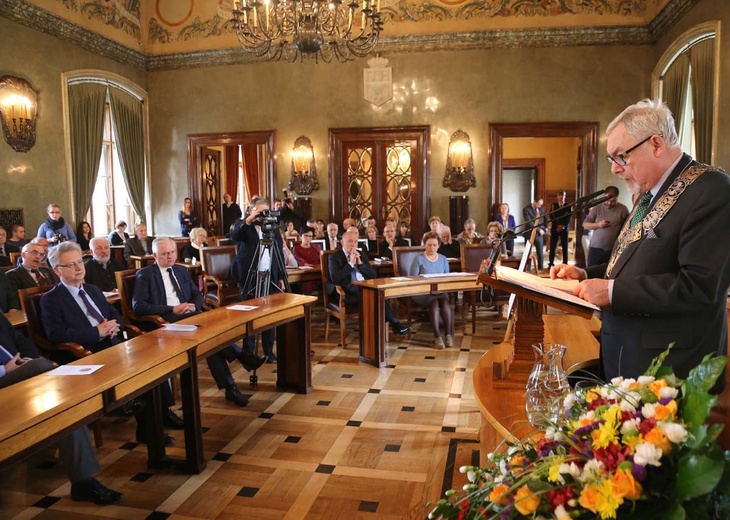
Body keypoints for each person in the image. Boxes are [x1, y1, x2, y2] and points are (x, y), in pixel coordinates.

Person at [551, 99, 730, 386]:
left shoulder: (711, 190)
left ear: (656, 144)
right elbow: (634, 262)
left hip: (670, 370)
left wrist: (611, 291)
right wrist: (587, 274)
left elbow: (700, 286)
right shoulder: (648, 193)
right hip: (626, 354)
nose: (616, 169)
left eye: (621, 156)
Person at [41, 242, 181, 442]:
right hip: (85, 353)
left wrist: (115, 324)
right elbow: (56, 335)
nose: (79, 268)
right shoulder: (51, 299)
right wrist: (95, 332)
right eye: (71, 265)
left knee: (152, 361)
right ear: (57, 270)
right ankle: (148, 429)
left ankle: (161, 414)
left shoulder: (93, 289)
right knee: (138, 368)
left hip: (113, 343)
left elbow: (114, 313)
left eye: (80, 261)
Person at [0, 313, 123, 505]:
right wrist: (4, 369)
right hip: (4, 377)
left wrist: (27, 359)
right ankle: (82, 478)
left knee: (61, 395)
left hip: (19, 371)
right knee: (49, 373)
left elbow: (18, 338)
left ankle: (82, 479)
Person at [132, 237, 265, 406]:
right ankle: (242, 357)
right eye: (165, 254)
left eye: (172, 252)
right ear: (155, 255)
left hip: (189, 316)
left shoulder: (180, 270)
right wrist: (172, 309)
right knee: (209, 331)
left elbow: (197, 295)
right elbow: (139, 307)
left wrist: (193, 306)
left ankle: (231, 387)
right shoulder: (145, 275)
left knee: (210, 342)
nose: (170, 257)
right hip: (164, 321)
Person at [230, 197, 286, 363]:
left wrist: (281, 276)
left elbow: (279, 253)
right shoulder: (242, 224)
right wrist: (250, 219)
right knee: (250, 315)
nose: (262, 215)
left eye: (265, 212)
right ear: (250, 210)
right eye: (259, 212)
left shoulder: (273, 227)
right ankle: (248, 353)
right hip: (248, 275)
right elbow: (235, 236)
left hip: (269, 273)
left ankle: (268, 351)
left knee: (269, 314)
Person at [328, 230, 412, 336]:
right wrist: (350, 264)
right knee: (375, 295)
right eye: (349, 241)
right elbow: (335, 278)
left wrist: (360, 264)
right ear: (342, 242)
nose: (353, 244)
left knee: (375, 295)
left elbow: (373, 275)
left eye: (355, 241)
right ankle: (395, 325)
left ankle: (378, 333)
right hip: (347, 291)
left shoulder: (361, 254)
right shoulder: (334, 257)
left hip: (365, 287)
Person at [409, 231, 453, 349]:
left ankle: (448, 334)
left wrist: (441, 289)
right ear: (424, 245)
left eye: (434, 245)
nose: (432, 247)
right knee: (434, 303)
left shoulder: (443, 259)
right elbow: (413, 279)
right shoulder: (418, 259)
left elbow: (447, 278)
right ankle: (437, 336)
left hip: (440, 291)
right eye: (429, 245)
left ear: (438, 245)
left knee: (444, 302)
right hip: (422, 292)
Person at [582, 186, 629, 267]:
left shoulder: (623, 209)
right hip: (596, 249)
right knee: (591, 274)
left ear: (617, 197)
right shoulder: (597, 208)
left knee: (608, 276)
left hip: (613, 249)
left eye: (613, 201)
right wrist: (598, 225)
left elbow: (627, 228)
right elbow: (585, 225)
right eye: (607, 200)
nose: (609, 203)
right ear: (604, 196)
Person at [293, 227, 321, 293]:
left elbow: (320, 258)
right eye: (305, 236)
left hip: (317, 271)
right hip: (304, 273)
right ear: (300, 236)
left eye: (310, 236)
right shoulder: (296, 248)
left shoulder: (316, 247)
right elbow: (297, 259)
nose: (308, 238)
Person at [548, 190, 571, 269]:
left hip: (564, 228)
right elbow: (551, 215)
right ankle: (551, 263)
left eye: (563, 196)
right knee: (553, 246)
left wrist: (563, 225)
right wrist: (557, 225)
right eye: (559, 196)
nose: (561, 197)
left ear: (565, 197)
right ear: (557, 197)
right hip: (555, 228)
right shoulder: (553, 205)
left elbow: (569, 217)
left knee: (565, 246)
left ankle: (565, 263)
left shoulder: (568, 205)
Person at [522, 197, 547, 270]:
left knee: (540, 253)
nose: (540, 206)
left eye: (541, 205)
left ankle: (540, 269)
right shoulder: (526, 209)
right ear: (534, 202)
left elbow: (546, 218)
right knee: (528, 253)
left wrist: (545, 228)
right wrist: (539, 230)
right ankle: (527, 269)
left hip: (539, 235)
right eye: (539, 204)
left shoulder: (542, 208)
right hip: (529, 233)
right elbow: (529, 222)